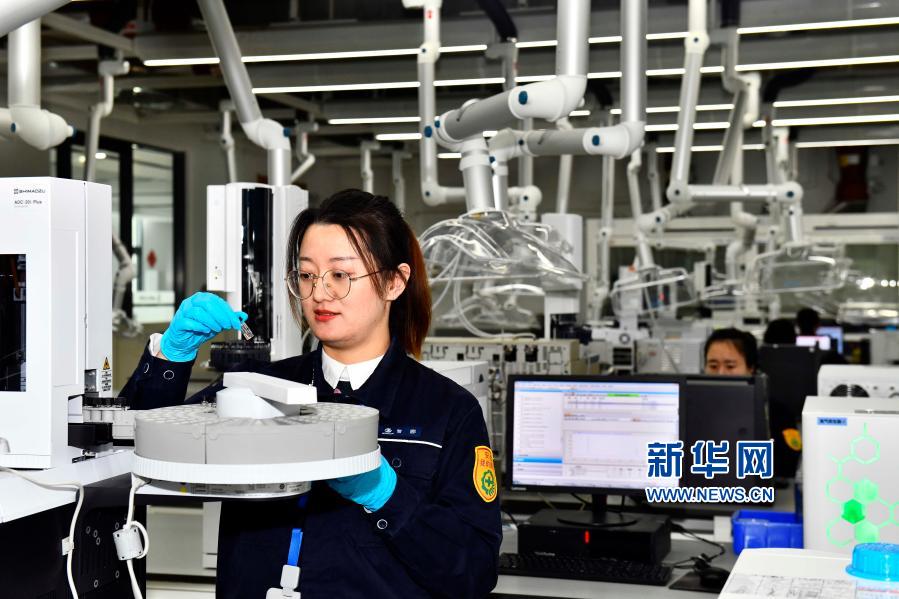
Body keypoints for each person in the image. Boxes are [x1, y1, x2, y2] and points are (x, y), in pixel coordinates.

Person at [119, 190, 502, 598]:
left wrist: (387, 496)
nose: (319, 293)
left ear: (394, 281)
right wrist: (170, 357)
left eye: (340, 275)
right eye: (306, 275)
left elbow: (473, 571)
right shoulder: (252, 390)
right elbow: (132, 451)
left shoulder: (447, 411)